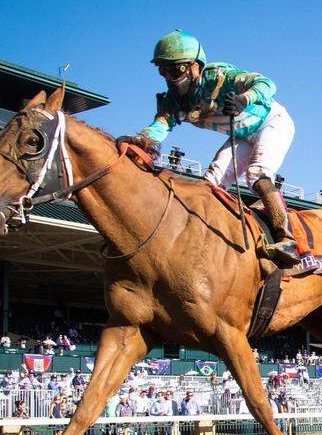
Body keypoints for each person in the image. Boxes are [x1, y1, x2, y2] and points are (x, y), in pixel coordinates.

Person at [118, 30, 298, 266]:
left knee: (257, 173)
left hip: (272, 122)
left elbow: (266, 84)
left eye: (176, 70)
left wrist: (245, 99)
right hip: (242, 136)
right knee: (209, 183)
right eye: (163, 70)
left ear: (195, 66)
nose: (170, 78)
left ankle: (287, 238)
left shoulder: (219, 75)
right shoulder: (173, 100)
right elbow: (160, 127)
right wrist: (140, 139)